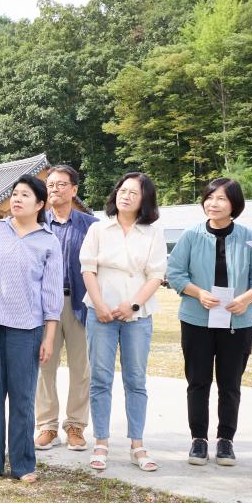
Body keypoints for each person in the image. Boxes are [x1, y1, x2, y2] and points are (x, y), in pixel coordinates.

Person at [0, 176, 63, 483]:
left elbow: (52, 295)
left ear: (40, 204)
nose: (17, 199)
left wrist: (48, 338)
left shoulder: (48, 241)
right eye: (15, 194)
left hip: (28, 329)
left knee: (22, 398)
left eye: (25, 195)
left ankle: (23, 464)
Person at [167, 178, 252, 466]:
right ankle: (198, 439)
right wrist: (198, 293)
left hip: (238, 321)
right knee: (198, 381)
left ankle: (226, 440)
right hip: (196, 320)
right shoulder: (190, 235)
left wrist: (247, 299)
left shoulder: (248, 236)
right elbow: (175, 273)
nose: (213, 203)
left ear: (234, 205)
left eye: (221, 199)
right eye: (209, 197)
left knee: (230, 383)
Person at [79, 172, 167, 472]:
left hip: (137, 316)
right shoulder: (99, 228)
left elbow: (156, 274)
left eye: (133, 192)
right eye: (122, 190)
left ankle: (137, 444)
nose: (125, 195)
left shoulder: (153, 233)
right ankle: (101, 441)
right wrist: (101, 305)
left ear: (145, 200)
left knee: (136, 381)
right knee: (100, 379)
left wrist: (133, 305)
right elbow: (87, 269)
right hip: (100, 313)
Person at [35, 165, 98, 452]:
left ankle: (75, 425)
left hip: (79, 302)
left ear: (74, 190)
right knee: (44, 365)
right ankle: (47, 426)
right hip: (43, 305)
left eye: (61, 184)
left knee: (80, 368)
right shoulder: (36, 222)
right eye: (50, 184)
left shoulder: (90, 225)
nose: (55, 189)